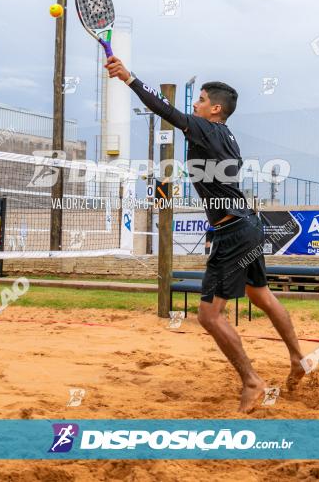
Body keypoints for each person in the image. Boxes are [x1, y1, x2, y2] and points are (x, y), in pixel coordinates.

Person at [105, 56, 305, 412]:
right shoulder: (227, 137)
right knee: (262, 297)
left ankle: (252, 381)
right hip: (247, 225)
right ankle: (298, 358)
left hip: (234, 232)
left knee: (209, 317)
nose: (193, 105)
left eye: (198, 100)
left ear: (215, 108)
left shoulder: (206, 128)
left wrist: (129, 78)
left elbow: (166, 111)